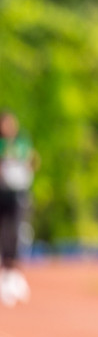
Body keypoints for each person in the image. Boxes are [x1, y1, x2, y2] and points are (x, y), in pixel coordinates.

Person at [0, 110, 38, 306]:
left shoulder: (23, 143)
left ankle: (13, 275)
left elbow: (34, 161)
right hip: (1, 194)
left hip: (18, 195)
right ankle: (4, 276)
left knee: (17, 233)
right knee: (4, 234)